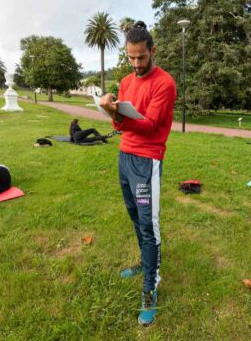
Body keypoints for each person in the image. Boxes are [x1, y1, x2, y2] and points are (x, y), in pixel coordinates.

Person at [99, 21, 177, 326]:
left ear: (152, 51)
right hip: (125, 157)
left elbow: (150, 125)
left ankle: (150, 287)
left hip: (147, 161)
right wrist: (112, 112)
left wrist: (115, 113)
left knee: (149, 224)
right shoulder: (125, 81)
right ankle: (146, 265)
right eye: (131, 58)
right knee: (134, 216)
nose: (136, 64)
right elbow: (119, 127)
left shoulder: (165, 83)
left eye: (141, 58)